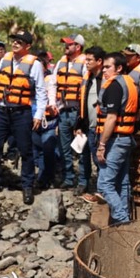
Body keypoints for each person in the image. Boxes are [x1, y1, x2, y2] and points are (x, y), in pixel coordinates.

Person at [0, 31, 47, 205]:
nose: (15, 43)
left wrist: (38, 115)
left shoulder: (35, 65)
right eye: (14, 41)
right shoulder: (5, 60)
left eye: (20, 41)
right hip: (2, 110)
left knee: (26, 150)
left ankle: (27, 185)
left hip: (22, 112)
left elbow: (41, 91)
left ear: (28, 46)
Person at [95, 52, 139, 225]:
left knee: (104, 185)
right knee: (122, 181)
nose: (104, 70)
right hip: (126, 139)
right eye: (103, 67)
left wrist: (101, 145)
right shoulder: (130, 82)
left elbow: (111, 118)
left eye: (108, 67)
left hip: (116, 140)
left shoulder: (114, 86)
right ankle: (122, 221)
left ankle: (123, 221)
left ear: (119, 68)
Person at [54, 34, 87, 189]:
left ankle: (83, 181)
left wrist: (83, 115)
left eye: (69, 44)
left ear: (78, 47)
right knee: (64, 148)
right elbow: (53, 83)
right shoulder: (61, 62)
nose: (66, 47)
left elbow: (86, 89)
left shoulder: (85, 63)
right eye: (65, 44)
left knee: (81, 148)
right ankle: (68, 178)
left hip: (78, 112)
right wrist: (53, 104)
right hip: (63, 111)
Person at [76, 46, 105, 202]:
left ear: (99, 61)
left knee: (99, 159)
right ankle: (83, 183)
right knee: (83, 156)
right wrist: (78, 125)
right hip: (86, 126)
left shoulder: (105, 79)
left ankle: (102, 190)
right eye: (85, 59)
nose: (86, 62)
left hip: (99, 127)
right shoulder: (87, 78)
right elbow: (82, 102)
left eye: (89, 60)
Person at [32, 50, 59, 191]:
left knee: (47, 150)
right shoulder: (30, 79)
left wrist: (51, 105)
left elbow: (52, 94)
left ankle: (46, 178)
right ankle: (41, 177)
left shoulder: (50, 79)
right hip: (33, 121)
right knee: (36, 150)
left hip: (48, 121)